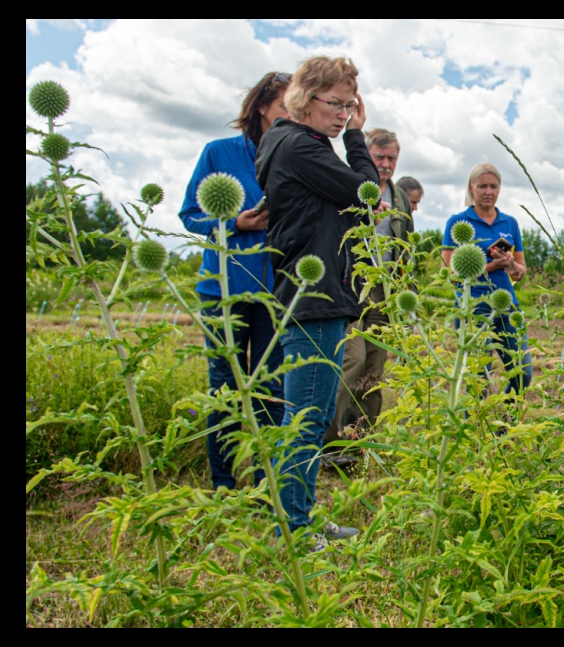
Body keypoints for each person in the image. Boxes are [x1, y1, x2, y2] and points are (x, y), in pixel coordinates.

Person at [255, 56, 378, 539]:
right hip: (313, 296)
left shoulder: (294, 145)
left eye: (350, 107)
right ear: (306, 99)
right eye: (337, 104)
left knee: (315, 414)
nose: (344, 115)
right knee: (305, 420)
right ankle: (293, 530)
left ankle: (301, 516)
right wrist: (357, 139)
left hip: (320, 293)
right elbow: (367, 194)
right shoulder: (299, 146)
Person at [179, 72, 291, 491]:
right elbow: (190, 215)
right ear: (261, 107)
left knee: (270, 389)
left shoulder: (292, 155)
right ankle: (224, 485)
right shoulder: (218, 152)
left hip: (273, 290)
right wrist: (233, 224)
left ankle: (265, 486)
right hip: (222, 290)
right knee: (224, 389)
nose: (291, 116)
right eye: (284, 107)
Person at [324, 129, 415, 465]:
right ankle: (331, 444)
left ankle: (361, 442)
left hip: (385, 289)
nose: (386, 164)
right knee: (352, 360)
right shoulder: (350, 185)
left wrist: (407, 290)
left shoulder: (399, 197)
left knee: (375, 369)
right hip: (350, 284)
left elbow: (405, 246)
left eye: (392, 158)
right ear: (366, 155)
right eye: (379, 157)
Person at [442, 163, 533, 396]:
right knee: (478, 378)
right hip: (473, 308)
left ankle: (507, 413)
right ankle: (475, 418)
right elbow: (451, 273)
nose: (488, 192)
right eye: (482, 186)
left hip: (507, 306)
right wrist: (492, 265)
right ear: (471, 187)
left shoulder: (510, 223)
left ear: (499, 189)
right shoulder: (457, 222)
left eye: (493, 186)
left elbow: (520, 271)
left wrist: (510, 264)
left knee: (523, 372)